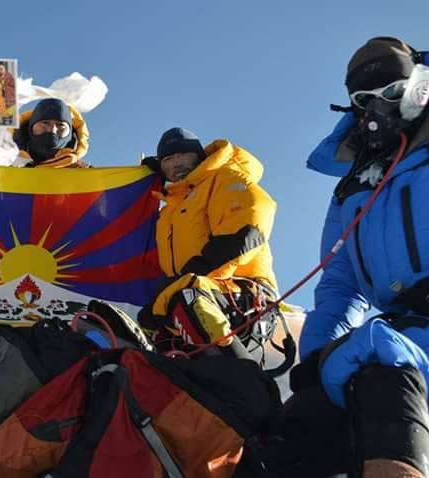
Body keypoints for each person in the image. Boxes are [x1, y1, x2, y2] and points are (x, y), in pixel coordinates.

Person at [272, 37, 429, 478]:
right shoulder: (358, 184)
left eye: (392, 94)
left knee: (383, 371)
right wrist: (317, 360)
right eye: (365, 100)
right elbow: (339, 284)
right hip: (407, 331)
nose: (379, 108)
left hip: (403, 347)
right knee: (305, 421)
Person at [138, 128, 279, 362]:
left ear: (199, 156)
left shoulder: (225, 177)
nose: (177, 163)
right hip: (192, 299)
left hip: (242, 294)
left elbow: (247, 230)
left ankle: (244, 376)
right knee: (145, 328)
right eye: (168, 159)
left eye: (183, 155)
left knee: (187, 296)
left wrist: (193, 274)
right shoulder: (169, 210)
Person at [13, 98, 91, 168]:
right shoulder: (5, 160)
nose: (52, 130)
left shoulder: (85, 174)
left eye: (60, 125)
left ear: (70, 132)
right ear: (30, 127)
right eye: (45, 123)